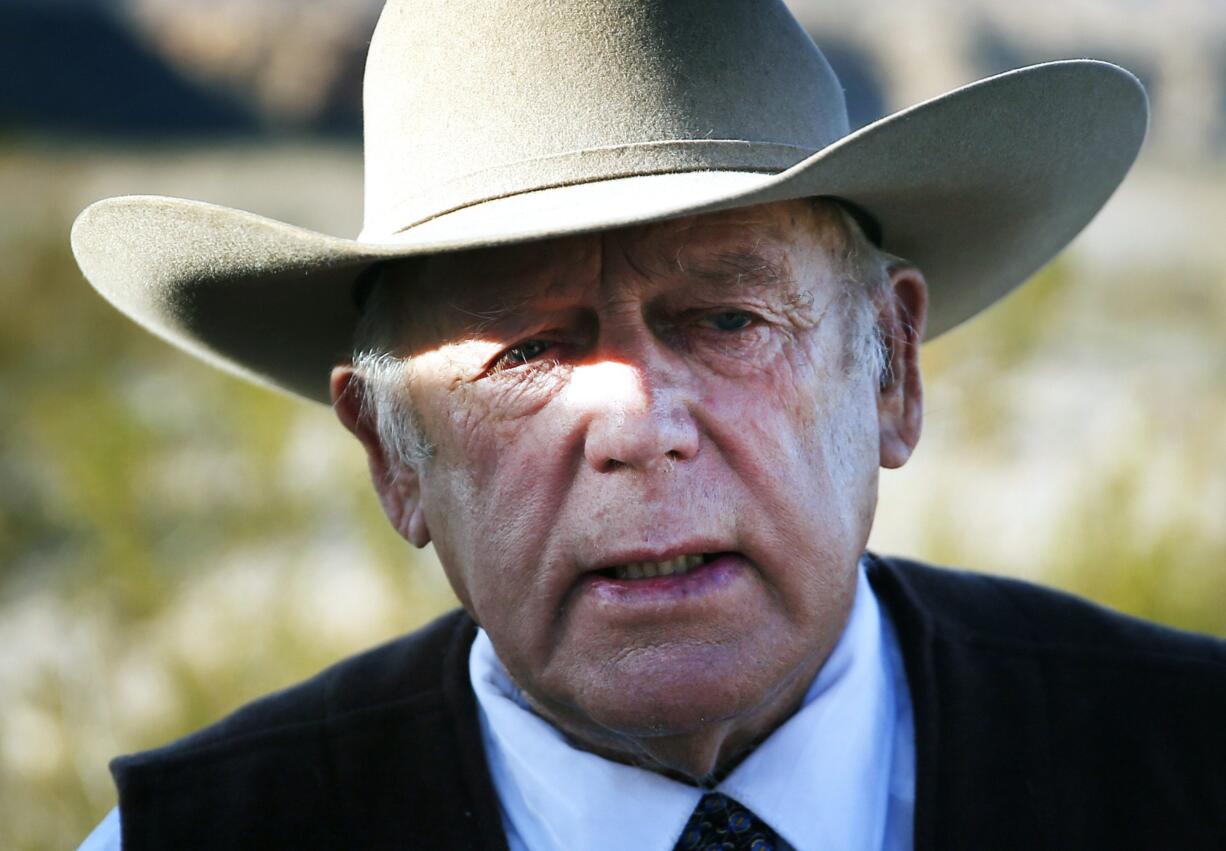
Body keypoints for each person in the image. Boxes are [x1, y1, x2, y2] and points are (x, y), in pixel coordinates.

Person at [73, 1, 1225, 849]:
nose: (636, 421)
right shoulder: (193, 838)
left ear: (891, 368)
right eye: (526, 349)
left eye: (725, 317)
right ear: (391, 451)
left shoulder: (1186, 760)